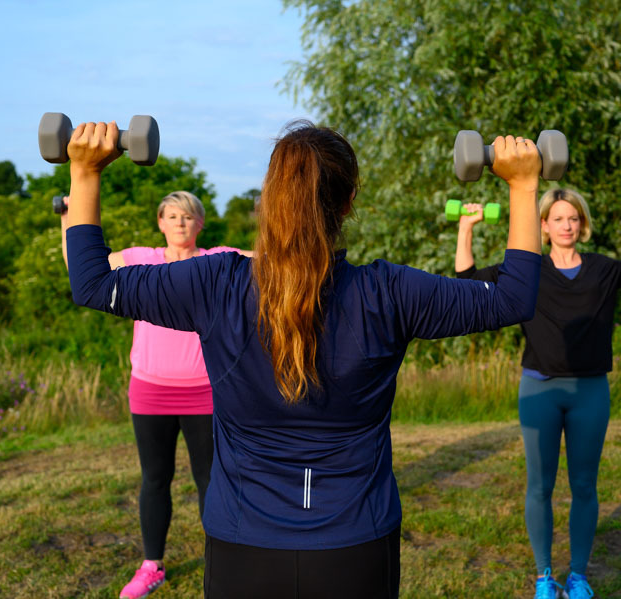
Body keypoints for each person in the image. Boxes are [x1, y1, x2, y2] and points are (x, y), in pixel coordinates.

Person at [63, 119, 545, 599]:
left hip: (242, 548)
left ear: (270, 200)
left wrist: (85, 173)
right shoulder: (390, 292)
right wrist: (523, 185)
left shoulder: (214, 284)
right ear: (349, 201)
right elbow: (513, 299)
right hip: (355, 547)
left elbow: (92, 283)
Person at [454, 188, 621, 599]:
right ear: (543, 226)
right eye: (558, 218)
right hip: (539, 391)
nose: (567, 225)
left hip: (590, 391)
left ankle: (579, 577)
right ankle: (544, 578)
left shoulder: (603, 270)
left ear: (582, 225)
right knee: (540, 486)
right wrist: (467, 227)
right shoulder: (528, 271)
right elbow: (467, 280)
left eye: (573, 218)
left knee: (585, 486)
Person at [60, 191, 252, 599]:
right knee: (154, 478)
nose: (180, 222)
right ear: (160, 223)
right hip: (150, 391)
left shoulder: (218, 259)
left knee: (211, 480)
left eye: (188, 216)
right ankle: (152, 566)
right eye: (171, 216)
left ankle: (222, 562)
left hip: (205, 392)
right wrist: (68, 215)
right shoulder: (139, 259)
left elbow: (275, 260)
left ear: (200, 224)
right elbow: (80, 269)